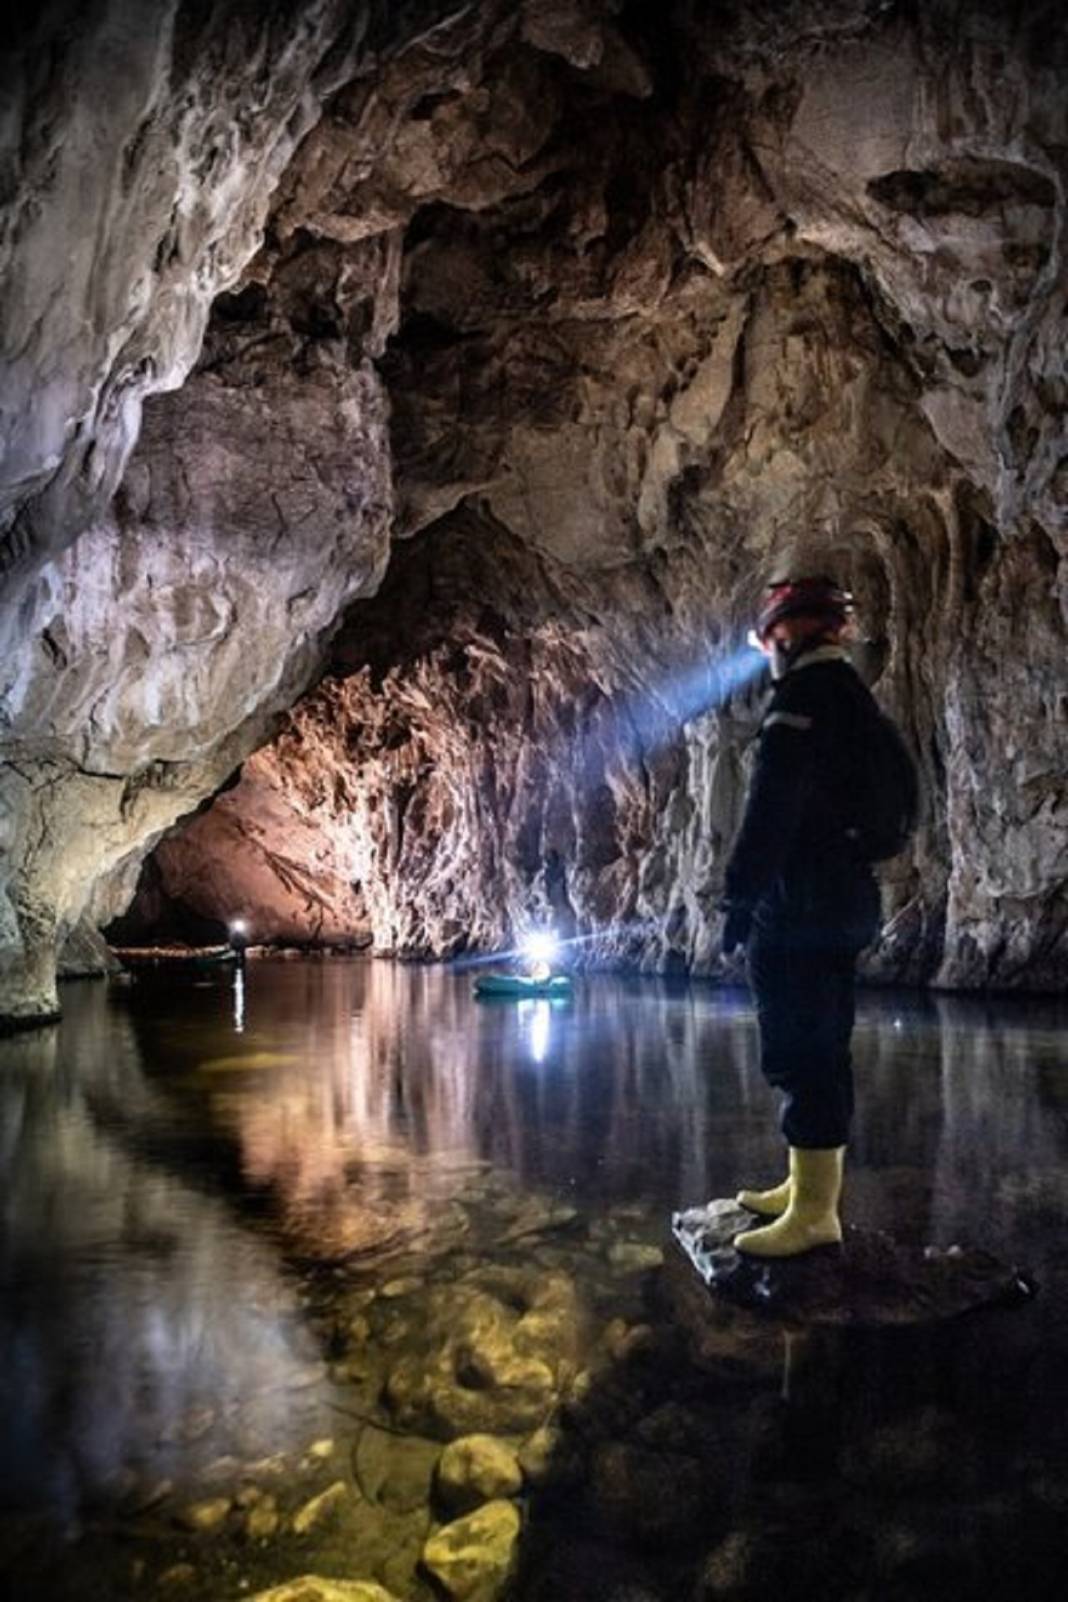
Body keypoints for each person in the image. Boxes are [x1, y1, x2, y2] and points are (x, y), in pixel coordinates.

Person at [720, 573, 884, 1257]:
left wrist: (738, 898)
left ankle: (814, 1213)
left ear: (786, 635)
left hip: (803, 906)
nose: (768, 654)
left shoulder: (803, 701)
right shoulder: (849, 697)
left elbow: (770, 813)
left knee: (801, 1048)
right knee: (823, 1046)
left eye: (770, 642)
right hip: (841, 898)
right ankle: (807, 1187)